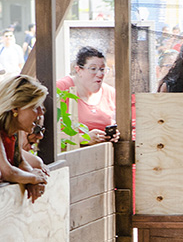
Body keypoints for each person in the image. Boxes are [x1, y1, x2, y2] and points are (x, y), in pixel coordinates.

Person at [57, 46, 120, 145]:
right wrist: (83, 138)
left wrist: (116, 135)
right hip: (69, 155)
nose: (99, 74)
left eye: (102, 69)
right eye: (93, 69)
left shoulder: (110, 93)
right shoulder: (61, 88)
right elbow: (47, 134)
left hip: (104, 154)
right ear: (78, 70)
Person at [0, 75, 49, 203]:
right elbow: (8, 172)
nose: (40, 113)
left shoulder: (15, 132)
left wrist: (35, 179)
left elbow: (20, 162)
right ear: (15, 108)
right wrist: (33, 178)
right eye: (34, 107)